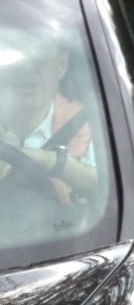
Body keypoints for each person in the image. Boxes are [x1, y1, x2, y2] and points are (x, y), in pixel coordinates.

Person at [0, 24, 98, 206]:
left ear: (62, 65)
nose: (26, 68)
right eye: (14, 57)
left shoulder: (91, 128)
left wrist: (58, 163)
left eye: (40, 56)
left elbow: (122, 198)